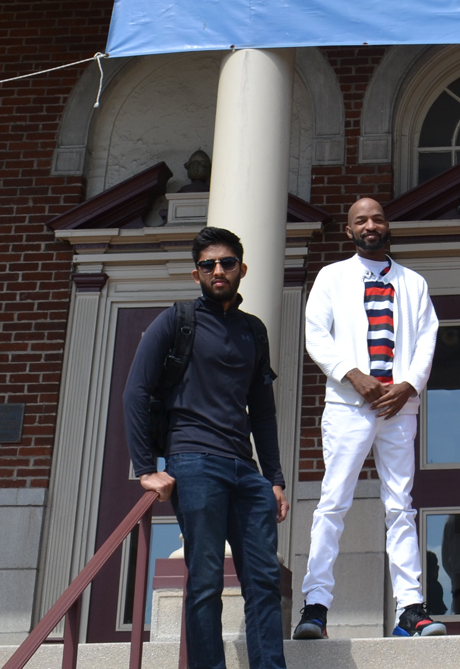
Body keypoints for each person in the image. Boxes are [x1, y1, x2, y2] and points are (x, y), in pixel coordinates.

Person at [123, 226, 287, 669]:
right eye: (208, 265)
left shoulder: (253, 330)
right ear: (196, 275)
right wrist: (145, 467)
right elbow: (136, 391)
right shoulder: (177, 320)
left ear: (242, 270)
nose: (218, 270)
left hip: (245, 470)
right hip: (194, 462)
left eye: (227, 263)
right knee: (206, 579)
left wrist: (273, 478)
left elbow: (263, 411)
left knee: (264, 580)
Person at [296, 197, 445, 639]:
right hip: (349, 405)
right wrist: (352, 375)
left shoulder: (412, 282)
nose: (370, 224)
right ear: (349, 231)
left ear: (386, 225)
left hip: (398, 408)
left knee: (400, 506)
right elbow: (315, 334)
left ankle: (411, 608)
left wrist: (409, 385)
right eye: (360, 219)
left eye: (377, 218)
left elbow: (427, 338)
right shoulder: (332, 277)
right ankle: (315, 607)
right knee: (333, 502)